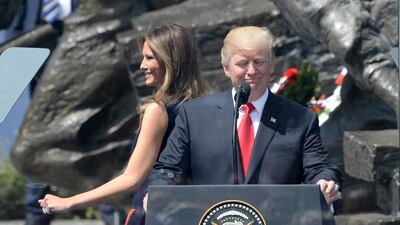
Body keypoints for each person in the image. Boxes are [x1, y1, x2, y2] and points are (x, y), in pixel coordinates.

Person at [147, 26, 342, 207]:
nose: (251, 71)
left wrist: (325, 182)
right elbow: (168, 169)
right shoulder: (193, 114)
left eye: (259, 62)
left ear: (272, 65)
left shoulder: (300, 119)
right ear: (226, 68)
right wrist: (157, 191)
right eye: (242, 63)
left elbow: (319, 167)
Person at [38, 23, 207, 225]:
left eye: (150, 58)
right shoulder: (205, 105)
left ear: (171, 61)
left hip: (155, 215)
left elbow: (132, 178)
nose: (142, 65)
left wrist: (69, 202)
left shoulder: (158, 111)